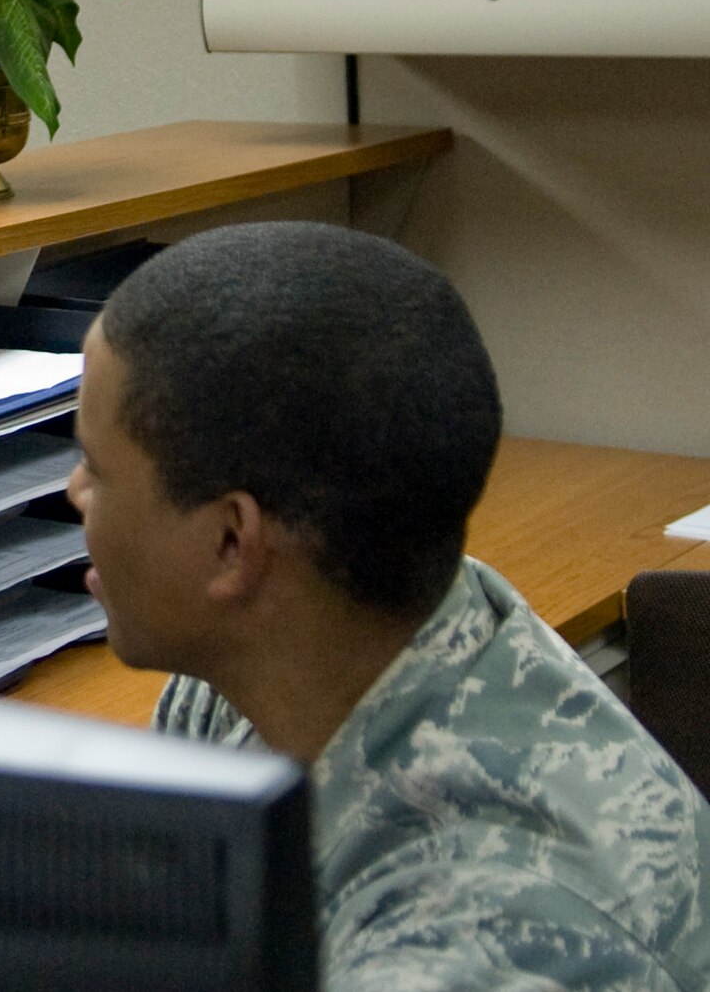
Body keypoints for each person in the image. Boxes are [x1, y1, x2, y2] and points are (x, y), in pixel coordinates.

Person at [66, 221, 710, 992]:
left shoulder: (487, 944)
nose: (73, 494)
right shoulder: (265, 672)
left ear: (232, 542)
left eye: (96, 469)